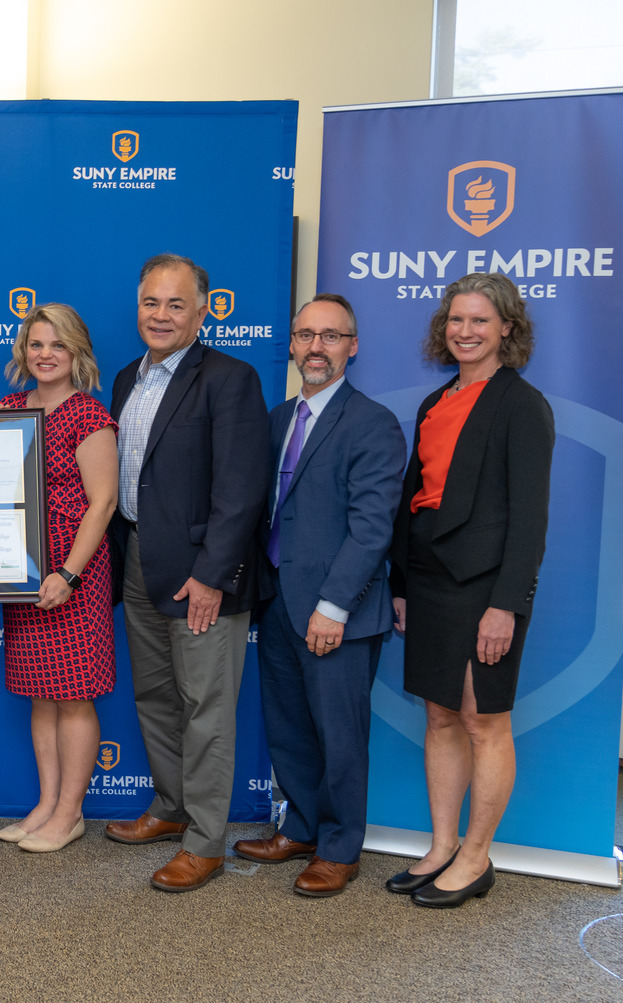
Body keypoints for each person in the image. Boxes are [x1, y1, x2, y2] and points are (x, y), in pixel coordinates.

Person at [104, 253, 271, 892]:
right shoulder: (126, 378)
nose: (162, 315)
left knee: (206, 708)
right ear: (138, 305)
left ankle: (205, 842)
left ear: (204, 311)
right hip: (140, 561)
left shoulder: (230, 378)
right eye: (152, 302)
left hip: (202, 576)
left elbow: (241, 488)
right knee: (155, 697)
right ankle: (172, 808)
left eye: (177, 304)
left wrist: (212, 575)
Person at [386, 273, 553, 908]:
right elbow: (413, 496)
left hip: (485, 587)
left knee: (485, 721)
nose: (466, 331)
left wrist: (506, 604)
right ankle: (442, 845)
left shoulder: (521, 404)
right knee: (438, 715)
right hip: (428, 581)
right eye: (457, 320)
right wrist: (401, 582)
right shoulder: (434, 403)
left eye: (480, 321)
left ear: (507, 327)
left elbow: (530, 517)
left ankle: (477, 858)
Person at [231, 294, 405, 897]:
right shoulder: (278, 419)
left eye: (330, 337)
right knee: (288, 726)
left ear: (352, 346)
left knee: (338, 732)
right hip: (276, 599)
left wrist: (333, 607)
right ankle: (300, 827)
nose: (315, 347)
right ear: (292, 344)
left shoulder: (372, 423)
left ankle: (338, 846)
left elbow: (372, 527)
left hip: (338, 610)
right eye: (305, 335)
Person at [0, 303, 118, 854]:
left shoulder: (88, 415)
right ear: (23, 350)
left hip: (73, 572)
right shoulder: (6, 408)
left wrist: (67, 572)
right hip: (19, 569)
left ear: (77, 354)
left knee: (73, 696)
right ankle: (46, 804)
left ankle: (70, 814)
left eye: (57, 345)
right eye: (36, 344)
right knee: (39, 694)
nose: (45, 354)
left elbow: (103, 503)